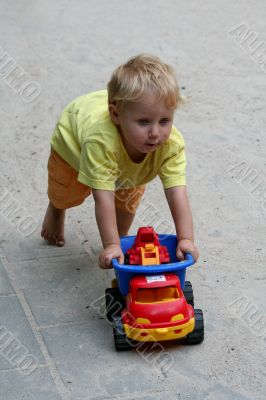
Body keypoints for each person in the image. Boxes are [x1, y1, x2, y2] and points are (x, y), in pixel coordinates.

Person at [41, 54, 199, 268]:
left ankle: (120, 238)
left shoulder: (171, 144)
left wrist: (186, 239)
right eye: (143, 122)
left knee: (127, 203)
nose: (155, 133)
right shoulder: (100, 142)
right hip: (74, 143)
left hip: (127, 167)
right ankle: (57, 208)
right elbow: (103, 197)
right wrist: (110, 243)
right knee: (66, 191)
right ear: (115, 115)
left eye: (164, 121)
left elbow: (176, 191)